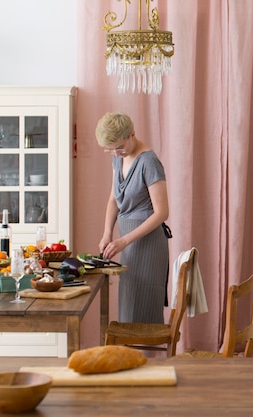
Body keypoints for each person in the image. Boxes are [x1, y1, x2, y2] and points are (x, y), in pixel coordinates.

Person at [95, 112, 170, 324]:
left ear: (132, 134)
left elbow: (162, 212)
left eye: (119, 147)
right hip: (126, 242)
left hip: (148, 243)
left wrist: (123, 240)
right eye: (110, 150)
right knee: (129, 306)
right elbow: (113, 200)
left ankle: (148, 356)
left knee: (145, 307)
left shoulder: (149, 162)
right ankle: (129, 355)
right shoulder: (118, 159)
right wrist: (107, 233)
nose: (116, 153)